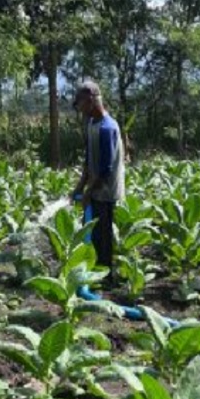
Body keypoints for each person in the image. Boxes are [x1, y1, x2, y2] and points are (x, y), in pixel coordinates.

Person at [71, 80, 125, 288]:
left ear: (92, 100)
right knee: (92, 231)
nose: (80, 108)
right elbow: (88, 160)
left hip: (106, 189)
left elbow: (105, 169)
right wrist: (78, 187)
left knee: (103, 233)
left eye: (81, 103)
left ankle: (107, 276)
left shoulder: (107, 128)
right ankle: (94, 271)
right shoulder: (92, 124)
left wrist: (88, 192)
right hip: (94, 187)